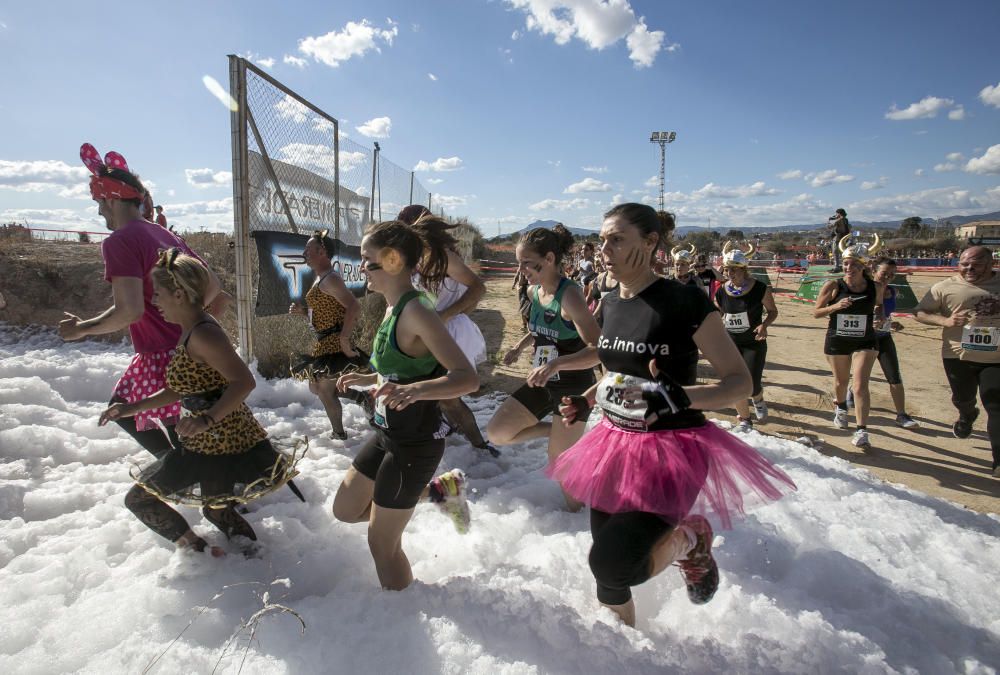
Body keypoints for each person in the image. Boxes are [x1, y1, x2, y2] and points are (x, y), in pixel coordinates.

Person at [548, 203, 795, 627]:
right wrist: (590, 400)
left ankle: (690, 540)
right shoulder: (608, 302)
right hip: (613, 444)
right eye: (603, 238)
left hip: (670, 453)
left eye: (617, 238)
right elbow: (616, 374)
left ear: (650, 242)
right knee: (606, 569)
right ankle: (623, 647)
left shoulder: (685, 301)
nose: (605, 247)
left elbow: (740, 383)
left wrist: (677, 397)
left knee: (611, 564)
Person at [100, 250, 296, 555]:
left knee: (142, 500)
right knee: (215, 510)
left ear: (178, 294)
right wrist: (131, 408)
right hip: (206, 440)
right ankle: (223, 557)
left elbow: (244, 382)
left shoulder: (204, 335)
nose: (155, 302)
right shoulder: (190, 329)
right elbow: (181, 387)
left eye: (159, 294)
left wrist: (207, 419)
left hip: (220, 441)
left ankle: (221, 556)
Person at [332, 217, 480, 590]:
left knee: (381, 544)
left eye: (367, 259)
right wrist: (367, 379)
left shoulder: (417, 311)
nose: (361, 266)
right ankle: (437, 492)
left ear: (393, 260)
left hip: (415, 443)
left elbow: (467, 377)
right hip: (387, 434)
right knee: (345, 511)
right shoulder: (390, 305)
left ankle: (402, 616)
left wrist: (416, 392)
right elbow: (400, 369)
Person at [60, 143, 229, 459]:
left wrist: (80, 329)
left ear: (110, 199)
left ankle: (181, 475)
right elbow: (213, 285)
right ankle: (188, 475)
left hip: (160, 357)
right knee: (173, 427)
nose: (98, 211)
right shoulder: (164, 234)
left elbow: (129, 311)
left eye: (98, 202)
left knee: (154, 424)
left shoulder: (119, 241)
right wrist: (186, 325)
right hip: (188, 348)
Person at [486, 225, 601, 510]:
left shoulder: (570, 296)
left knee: (559, 464)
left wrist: (557, 363)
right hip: (543, 381)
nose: (521, 269)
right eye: (519, 262)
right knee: (498, 432)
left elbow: (599, 351)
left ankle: (578, 517)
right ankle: (557, 432)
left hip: (572, 388)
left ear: (549, 258)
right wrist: (520, 346)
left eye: (526, 262)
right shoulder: (534, 291)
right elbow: (543, 329)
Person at [396, 205, 498, 457]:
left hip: (448, 331)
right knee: (425, 392)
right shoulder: (412, 258)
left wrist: (445, 315)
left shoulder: (443, 257)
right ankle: (431, 442)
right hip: (425, 333)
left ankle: (481, 448)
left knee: (448, 398)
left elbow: (478, 288)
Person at [915, 246, 1000, 477]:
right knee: (962, 398)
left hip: (995, 358)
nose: (969, 268)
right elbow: (920, 312)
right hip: (957, 356)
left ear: (991, 263)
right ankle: (967, 415)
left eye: (976, 264)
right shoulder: (945, 287)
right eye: (964, 264)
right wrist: (946, 321)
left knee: (995, 405)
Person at [289, 229, 371, 439]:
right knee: (317, 387)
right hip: (324, 341)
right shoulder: (321, 278)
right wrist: (303, 312)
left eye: (308, 250)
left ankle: (339, 435)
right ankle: (364, 398)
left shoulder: (330, 279)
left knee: (325, 391)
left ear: (322, 251)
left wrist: (344, 338)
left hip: (334, 343)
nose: (304, 254)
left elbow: (353, 306)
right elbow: (324, 311)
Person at [813, 234, 884, 449]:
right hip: (838, 338)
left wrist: (879, 316)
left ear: (863, 266)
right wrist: (835, 306)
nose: (848, 268)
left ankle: (862, 430)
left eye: (853, 264)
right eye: (845, 263)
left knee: (861, 384)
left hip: (865, 339)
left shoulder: (876, 286)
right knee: (841, 382)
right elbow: (816, 312)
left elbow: (879, 306)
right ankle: (841, 406)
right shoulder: (833, 285)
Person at [714, 241, 778, 433]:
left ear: (744, 269)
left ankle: (757, 397)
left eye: (734, 270)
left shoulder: (760, 288)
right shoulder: (721, 291)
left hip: (753, 342)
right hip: (730, 342)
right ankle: (745, 419)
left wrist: (764, 325)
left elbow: (773, 311)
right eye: (727, 270)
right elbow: (718, 313)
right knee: (735, 382)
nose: (729, 274)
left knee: (752, 381)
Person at [858, 259, 918, 429]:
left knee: (894, 376)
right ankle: (849, 397)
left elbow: (885, 315)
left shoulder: (892, 291)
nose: (888, 277)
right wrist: (869, 324)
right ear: (874, 270)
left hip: (884, 337)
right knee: (861, 377)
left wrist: (893, 323)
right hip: (865, 339)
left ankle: (902, 415)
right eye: (884, 273)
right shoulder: (863, 290)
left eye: (892, 274)